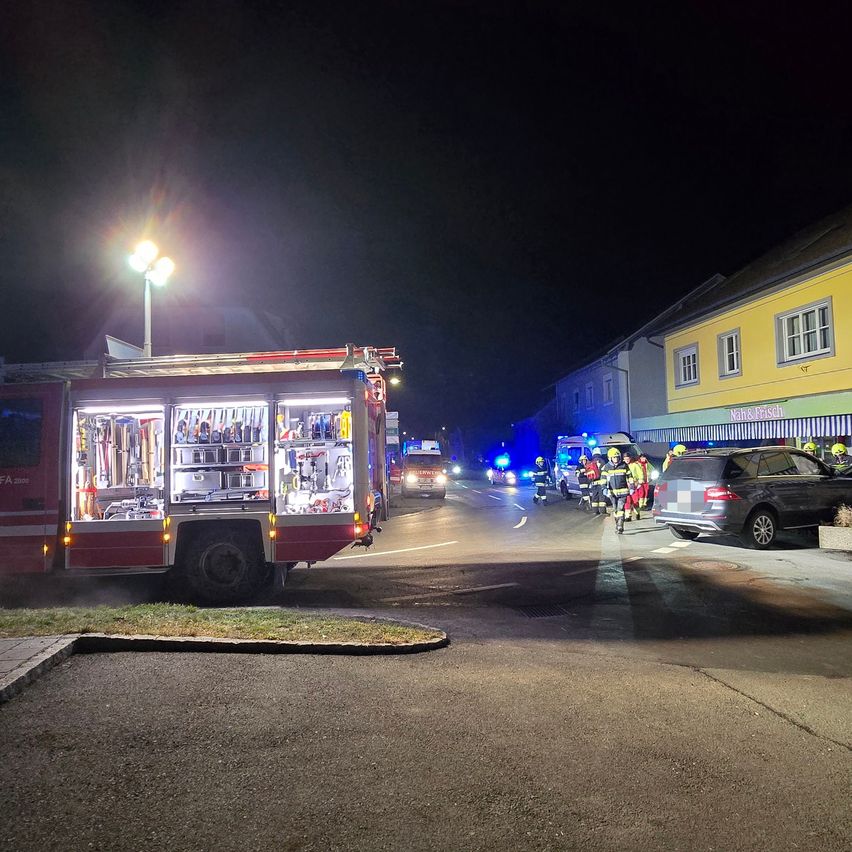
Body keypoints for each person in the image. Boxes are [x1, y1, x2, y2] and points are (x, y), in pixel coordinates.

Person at [600, 447, 634, 534]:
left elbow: (630, 477)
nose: (616, 459)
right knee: (615, 510)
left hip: (623, 492)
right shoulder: (606, 467)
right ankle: (617, 524)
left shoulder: (624, 465)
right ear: (610, 458)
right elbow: (603, 479)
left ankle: (620, 526)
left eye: (617, 457)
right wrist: (604, 489)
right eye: (614, 457)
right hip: (612, 493)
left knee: (620, 508)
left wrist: (632, 487)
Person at [623, 452, 646, 521]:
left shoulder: (635, 465)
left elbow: (640, 473)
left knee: (635, 500)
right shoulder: (622, 466)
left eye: (628, 458)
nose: (627, 460)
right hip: (626, 485)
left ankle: (637, 513)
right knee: (627, 501)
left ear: (630, 458)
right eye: (625, 459)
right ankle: (628, 516)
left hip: (635, 484)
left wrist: (640, 481)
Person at [586, 449, 606, 516]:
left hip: (593, 482)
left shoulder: (591, 462)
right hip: (601, 482)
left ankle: (595, 511)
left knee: (594, 497)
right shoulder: (602, 461)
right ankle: (602, 511)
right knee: (602, 497)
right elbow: (604, 471)